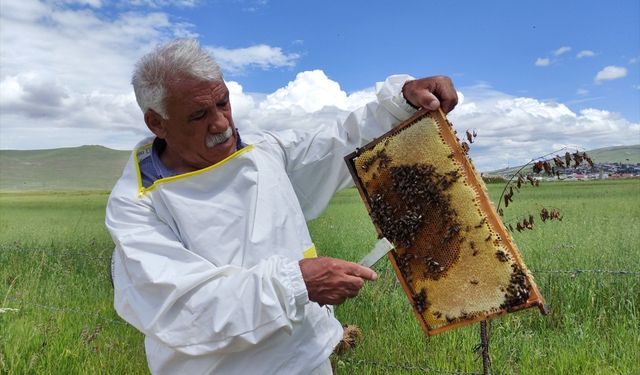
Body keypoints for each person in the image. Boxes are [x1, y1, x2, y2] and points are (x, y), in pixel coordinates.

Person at [106, 39, 458, 375]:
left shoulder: (263, 150)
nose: (221, 124)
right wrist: (298, 284)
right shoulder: (137, 207)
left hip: (310, 359)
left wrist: (402, 104)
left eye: (223, 103)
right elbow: (185, 310)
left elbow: (339, 143)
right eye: (198, 115)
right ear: (157, 122)